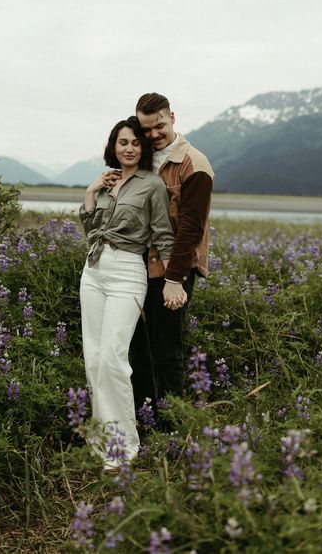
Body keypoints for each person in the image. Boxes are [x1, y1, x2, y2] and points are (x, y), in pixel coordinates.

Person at [79, 116, 175, 466]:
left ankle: (125, 450)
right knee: (93, 360)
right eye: (123, 142)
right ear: (114, 147)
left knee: (113, 360)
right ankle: (101, 443)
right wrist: (91, 192)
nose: (130, 148)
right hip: (93, 270)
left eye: (135, 142)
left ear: (143, 147)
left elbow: (164, 234)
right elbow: (91, 230)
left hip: (127, 272)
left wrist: (171, 280)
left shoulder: (153, 185)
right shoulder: (107, 183)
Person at [129, 93, 214, 414]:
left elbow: (192, 229)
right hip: (137, 263)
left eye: (159, 126)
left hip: (173, 268)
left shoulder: (194, 163)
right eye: (146, 128)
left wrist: (174, 279)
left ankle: (171, 425)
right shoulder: (141, 158)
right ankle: (143, 416)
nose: (152, 135)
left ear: (172, 117)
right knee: (138, 347)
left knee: (166, 348)